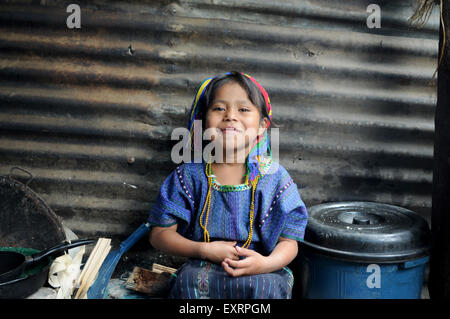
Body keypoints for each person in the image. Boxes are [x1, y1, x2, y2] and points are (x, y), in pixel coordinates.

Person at [148, 71, 308, 299]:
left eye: (243, 109)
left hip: (261, 269)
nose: (230, 116)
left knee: (270, 287)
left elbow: (289, 241)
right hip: (203, 266)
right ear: (204, 123)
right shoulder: (189, 175)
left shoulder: (275, 178)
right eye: (219, 108)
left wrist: (266, 263)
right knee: (187, 281)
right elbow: (159, 234)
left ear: (262, 126)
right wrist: (203, 250)